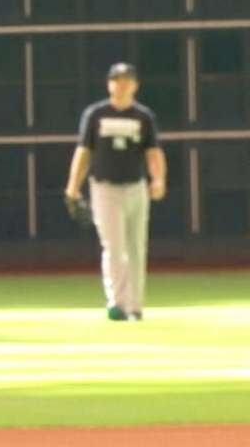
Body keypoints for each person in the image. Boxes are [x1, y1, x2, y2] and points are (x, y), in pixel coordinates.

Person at [64, 62, 166, 322]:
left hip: (135, 186)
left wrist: (158, 179)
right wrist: (73, 186)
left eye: (127, 80)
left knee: (135, 246)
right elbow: (84, 151)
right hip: (105, 187)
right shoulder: (96, 114)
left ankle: (135, 306)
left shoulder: (143, 117)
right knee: (113, 246)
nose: (122, 85)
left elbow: (153, 152)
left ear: (135, 85)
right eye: (117, 80)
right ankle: (118, 303)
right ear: (109, 83)